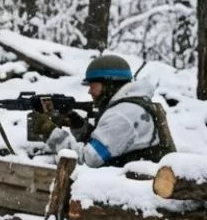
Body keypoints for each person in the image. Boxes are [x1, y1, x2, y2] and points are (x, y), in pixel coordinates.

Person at [41, 54, 176, 167]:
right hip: (141, 186)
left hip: (134, 192)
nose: (90, 91)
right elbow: (109, 144)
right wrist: (79, 126)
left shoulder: (122, 115)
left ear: (109, 84)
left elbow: (88, 160)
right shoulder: (130, 107)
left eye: (93, 85)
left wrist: (51, 133)